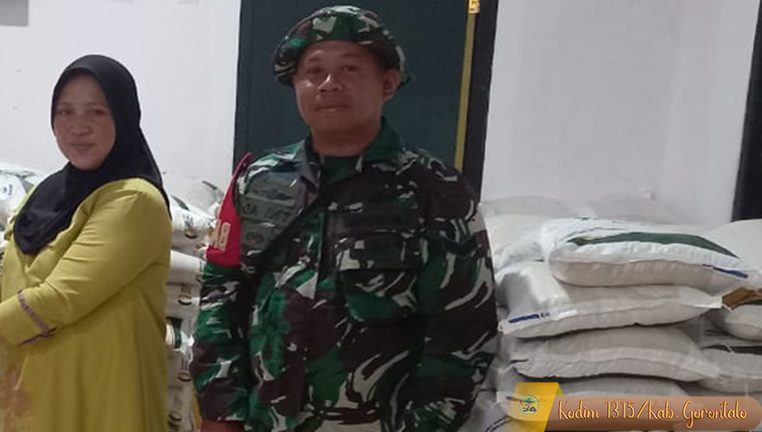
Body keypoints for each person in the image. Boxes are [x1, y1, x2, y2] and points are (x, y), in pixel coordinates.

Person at [191, 6, 497, 432]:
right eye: (313, 71)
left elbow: (463, 329)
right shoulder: (259, 180)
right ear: (295, 85)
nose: (329, 84)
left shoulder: (434, 190)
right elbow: (223, 294)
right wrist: (221, 410)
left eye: (350, 69)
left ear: (388, 83)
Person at [0, 54, 171, 432]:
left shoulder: (134, 200)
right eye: (65, 112)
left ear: (124, 117)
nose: (78, 127)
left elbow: (61, 297)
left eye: (97, 112)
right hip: (32, 389)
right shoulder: (44, 194)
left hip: (100, 393)